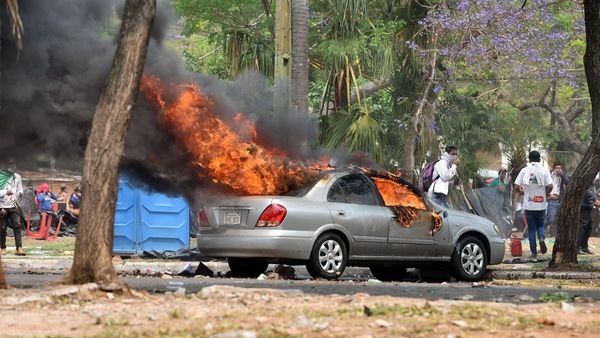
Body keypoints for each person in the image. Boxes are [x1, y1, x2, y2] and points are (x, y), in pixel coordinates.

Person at [514, 150, 553, 260]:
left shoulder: (524, 171)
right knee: (540, 226)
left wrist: (523, 192)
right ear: (539, 159)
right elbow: (550, 186)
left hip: (529, 205)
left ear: (529, 159)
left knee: (531, 229)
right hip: (541, 204)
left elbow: (516, 186)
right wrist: (544, 194)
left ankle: (534, 254)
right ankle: (541, 238)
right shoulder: (545, 171)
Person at [0, 159, 26, 256]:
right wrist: (5, 192)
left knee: (17, 225)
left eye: (14, 164)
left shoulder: (17, 177)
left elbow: (20, 188)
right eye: (10, 164)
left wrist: (20, 193)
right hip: (1, 206)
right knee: (2, 228)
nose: (13, 167)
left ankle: (19, 248)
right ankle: (2, 248)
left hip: (13, 205)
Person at [546, 161, 569, 237]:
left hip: (560, 199)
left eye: (560, 168)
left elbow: (568, 182)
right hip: (551, 199)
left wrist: (562, 174)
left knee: (559, 218)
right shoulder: (549, 174)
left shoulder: (563, 175)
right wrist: (547, 195)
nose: (558, 170)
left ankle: (557, 236)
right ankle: (550, 234)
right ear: (553, 168)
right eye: (556, 168)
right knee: (551, 218)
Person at [577, 184, 600, 254]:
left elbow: (592, 192)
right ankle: (577, 247)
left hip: (589, 205)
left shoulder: (592, 183)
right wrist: (595, 199)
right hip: (584, 206)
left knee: (589, 227)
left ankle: (584, 247)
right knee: (583, 226)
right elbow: (586, 191)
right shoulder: (586, 180)